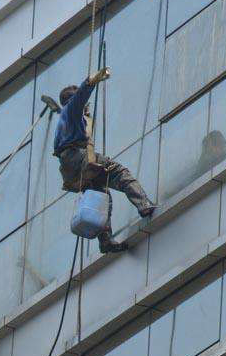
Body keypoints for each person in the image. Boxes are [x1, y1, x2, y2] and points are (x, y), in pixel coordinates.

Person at [53, 66, 156, 253]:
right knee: (118, 173)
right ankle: (144, 205)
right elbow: (80, 96)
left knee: (101, 193)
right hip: (77, 157)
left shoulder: (64, 120)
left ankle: (105, 240)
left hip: (69, 167)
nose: (86, 107)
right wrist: (94, 79)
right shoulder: (72, 110)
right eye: (84, 105)